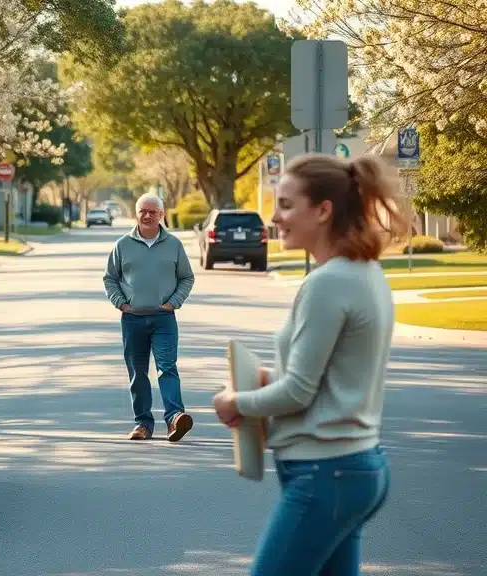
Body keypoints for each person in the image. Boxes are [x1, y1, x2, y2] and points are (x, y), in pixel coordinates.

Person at [212, 153, 404, 575]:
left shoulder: (327, 282)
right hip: (354, 468)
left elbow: (298, 392)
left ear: (322, 211)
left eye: (286, 205)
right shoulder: (366, 273)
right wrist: (265, 379)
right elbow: (329, 376)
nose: (275, 217)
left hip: (325, 474)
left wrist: (236, 403)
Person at [104, 193, 195, 442]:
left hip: (164, 319)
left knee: (167, 368)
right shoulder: (122, 245)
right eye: (142, 211)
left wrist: (173, 302)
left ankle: (175, 418)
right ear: (136, 214)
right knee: (138, 373)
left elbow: (187, 277)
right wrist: (121, 303)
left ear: (161, 215)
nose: (147, 215)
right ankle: (143, 424)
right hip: (132, 320)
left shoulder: (174, 245)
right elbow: (110, 278)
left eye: (152, 212)